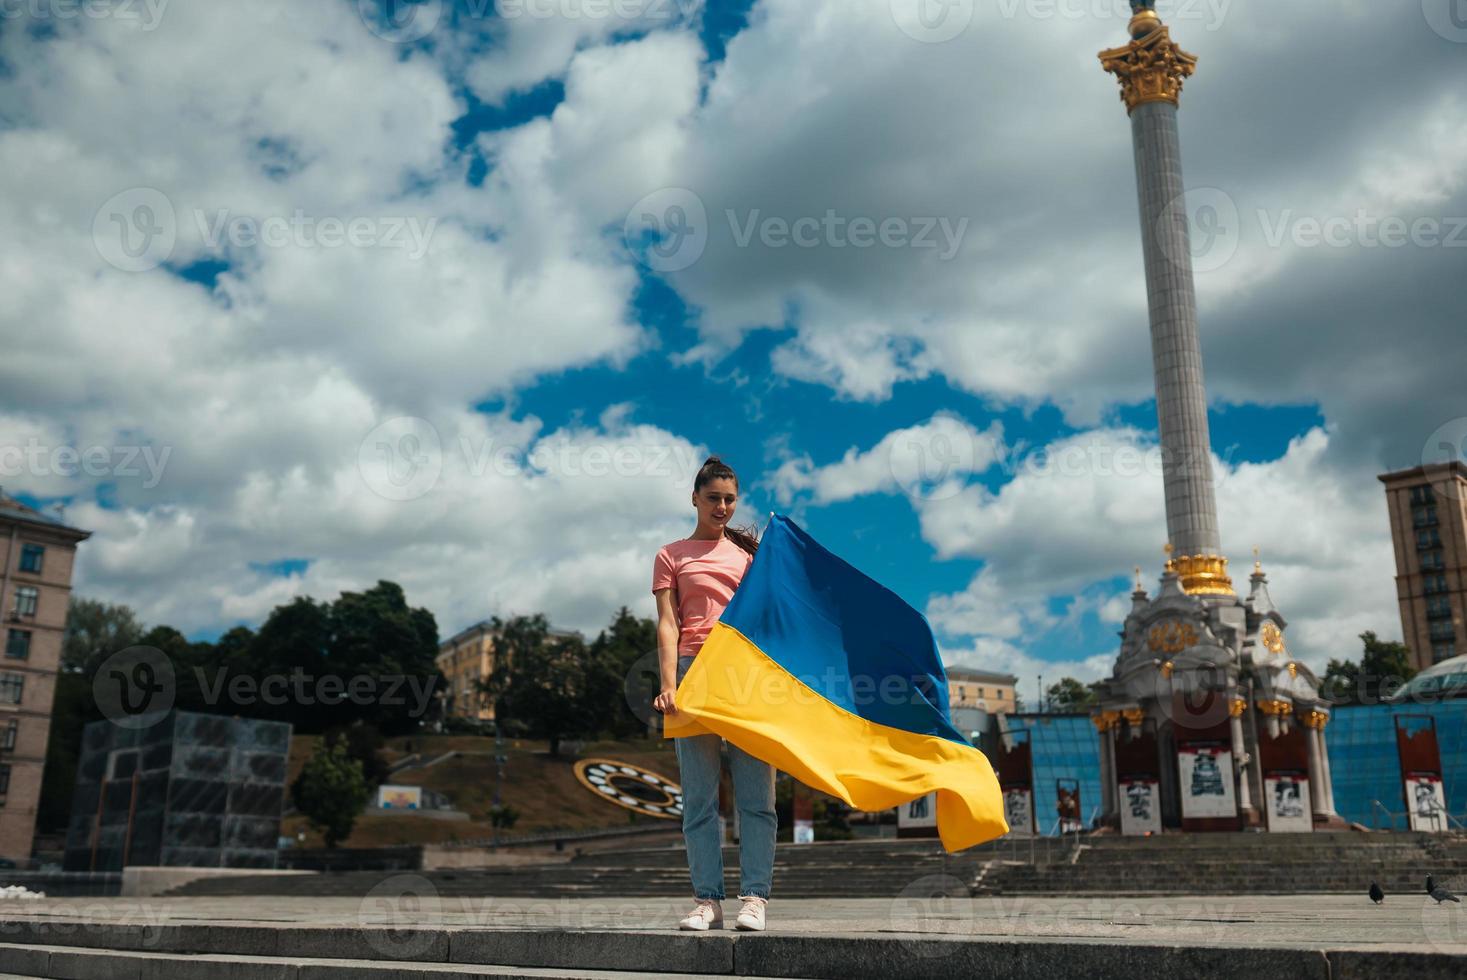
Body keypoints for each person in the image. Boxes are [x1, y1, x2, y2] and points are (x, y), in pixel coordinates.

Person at [651, 455, 776, 931]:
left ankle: (755, 899)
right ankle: (708, 901)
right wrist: (668, 685)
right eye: (713, 498)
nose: (722, 506)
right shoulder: (671, 554)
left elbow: (767, 619)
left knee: (755, 796)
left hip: (742, 673)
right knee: (700, 799)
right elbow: (668, 623)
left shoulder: (748, 557)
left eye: (729, 499)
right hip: (691, 672)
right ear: (695, 499)